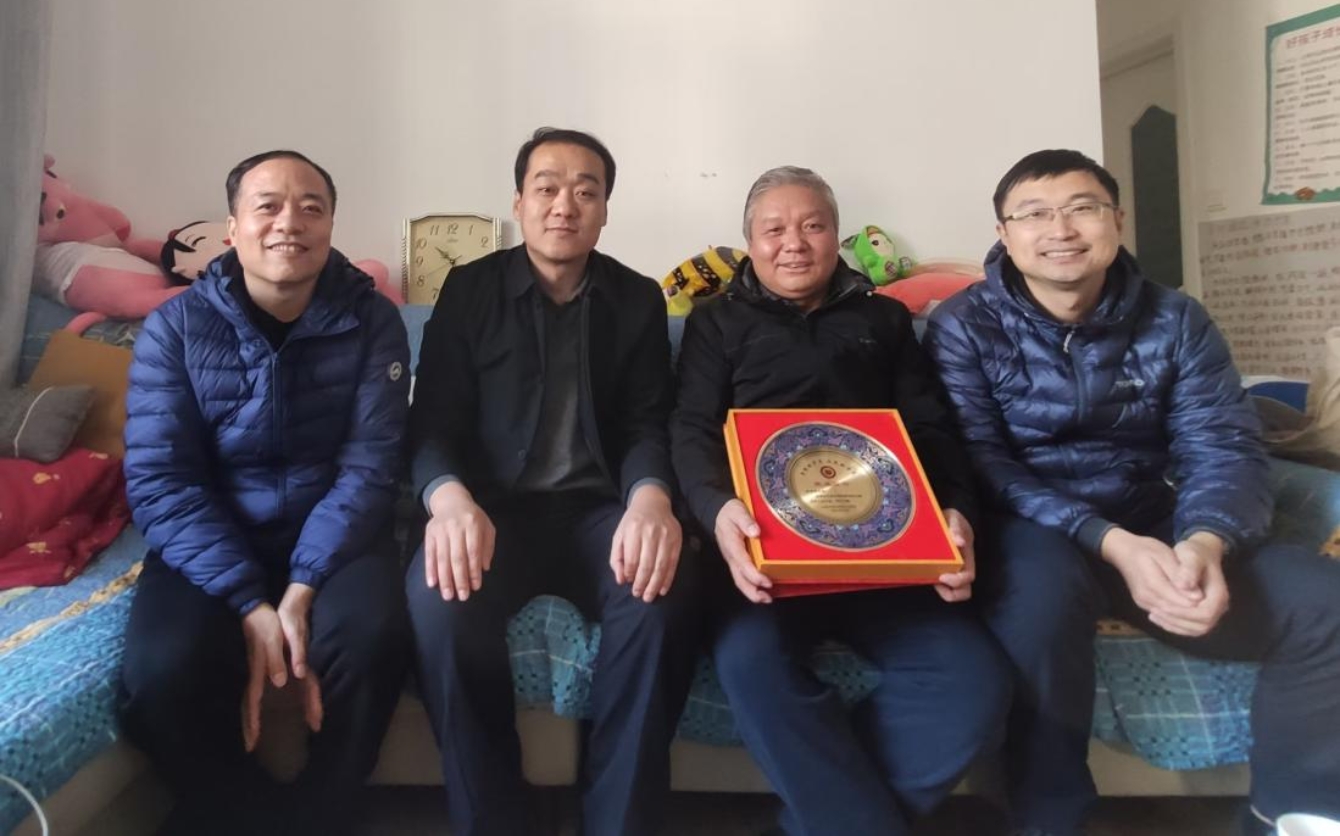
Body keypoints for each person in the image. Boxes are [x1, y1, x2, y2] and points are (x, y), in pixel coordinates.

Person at [923, 149, 1340, 835]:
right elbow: (980, 461)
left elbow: (1223, 444)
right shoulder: (963, 325)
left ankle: (1295, 813)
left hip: (1158, 517)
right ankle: (1048, 818)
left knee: (1323, 601)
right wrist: (1108, 541)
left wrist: (1206, 541)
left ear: (1116, 219)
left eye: (1082, 208)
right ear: (1004, 234)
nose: (1061, 229)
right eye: (1034, 214)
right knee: (1038, 601)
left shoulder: (1177, 320)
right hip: (1033, 527)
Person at [670, 165, 1010, 836]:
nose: (794, 243)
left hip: (886, 555)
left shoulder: (884, 320)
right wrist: (717, 509)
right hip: (765, 556)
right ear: (750, 243)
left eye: (813, 226)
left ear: (837, 235)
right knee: (749, 663)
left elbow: (931, 428)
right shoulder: (715, 323)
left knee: (975, 682)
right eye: (774, 229)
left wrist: (956, 513)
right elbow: (690, 431)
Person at [406, 127, 699, 836]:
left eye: (585, 191)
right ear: (519, 202)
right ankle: (494, 819)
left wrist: (651, 499)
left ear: (605, 210)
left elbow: (647, 421)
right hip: (494, 512)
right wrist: (448, 500)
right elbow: (432, 418)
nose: (564, 205)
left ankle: (617, 821)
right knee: (440, 602)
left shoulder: (635, 298)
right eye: (546, 188)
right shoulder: (470, 290)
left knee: (661, 596)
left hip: (600, 511)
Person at [121, 150, 411, 836]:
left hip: (338, 538)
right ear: (232, 228)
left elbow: (371, 467)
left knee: (374, 638)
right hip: (215, 537)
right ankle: (241, 811)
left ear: (331, 225)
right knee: (160, 671)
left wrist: (302, 586)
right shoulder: (174, 328)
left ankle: (324, 811)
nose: (290, 222)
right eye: (268, 206)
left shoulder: (374, 320)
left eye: (311, 207)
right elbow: (162, 479)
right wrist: (249, 600)